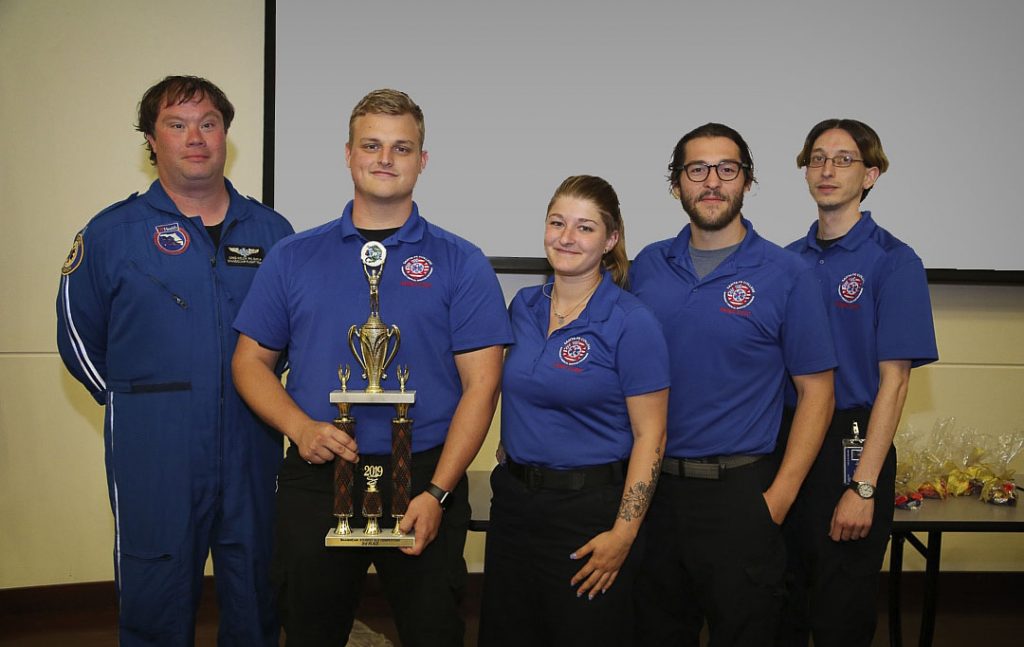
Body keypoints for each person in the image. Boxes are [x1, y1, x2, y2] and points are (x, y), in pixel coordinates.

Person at [231, 88, 512, 646]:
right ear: (348, 154)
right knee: (310, 629)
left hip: (425, 478)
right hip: (318, 476)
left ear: (422, 161)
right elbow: (249, 363)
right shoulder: (294, 257)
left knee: (434, 629)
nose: (385, 158)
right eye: (372, 145)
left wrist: (438, 492)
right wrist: (299, 427)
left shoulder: (462, 262)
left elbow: (483, 386)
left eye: (402, 147)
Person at [56, 75, 294, 645]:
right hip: (154, 452)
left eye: (208, 123)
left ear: (225, 136)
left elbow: (295, 338)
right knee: (155, 591)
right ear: (151, 140)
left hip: (252, 445)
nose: (195, 137)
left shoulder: (274, 234)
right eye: (177, 124)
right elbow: (76, 336)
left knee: (257, 589)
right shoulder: (112, 234)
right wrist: (132, 406)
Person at [629, 123, 838, 645]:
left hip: (742, 496)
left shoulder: (788, 273)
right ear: (676, 184)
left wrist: (779, 499)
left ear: (748, 181)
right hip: (652, 497)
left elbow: (818, 392)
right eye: (697, 170)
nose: (712, 182)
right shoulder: (647, 267)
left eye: (728, 169)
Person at [478, 176, 669, 646]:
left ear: (610, 240)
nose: (566, 237)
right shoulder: (522, 305)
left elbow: (652, 437)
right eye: (557, 223)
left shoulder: (631, 321)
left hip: (589, 515)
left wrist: (622, 535)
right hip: (517, 508)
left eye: (585, 228)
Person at [774, 119, 938, 647]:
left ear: (870, 175)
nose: (827, 170)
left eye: (844, 160)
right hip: (784, 440)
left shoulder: (893, 261)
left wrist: (863, 487)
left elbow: (895, 384)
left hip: (852, 446)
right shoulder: (784, 263)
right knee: (781, 603)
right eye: (817, 158)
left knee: (840, 612)